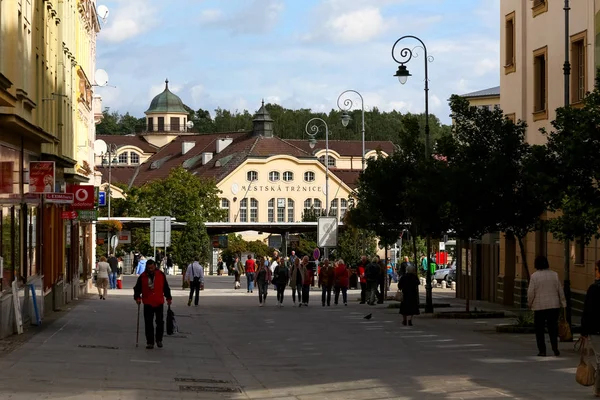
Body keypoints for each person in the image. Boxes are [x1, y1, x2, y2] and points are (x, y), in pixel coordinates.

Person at [527, 255, 566, 357]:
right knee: (553, 328)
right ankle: (555, 348)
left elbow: (531, 292)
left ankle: (542, 350)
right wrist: (563, 303)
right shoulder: (554, 275)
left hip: (539, 307)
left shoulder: (534, 276)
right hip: (553, 306)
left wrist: (529, 304)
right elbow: (560, 290)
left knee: (539, 330)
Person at [133, 260, 172, 349]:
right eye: (149, 268)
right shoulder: (143, 276)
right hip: (147, 302)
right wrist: (137, 297)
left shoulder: (160, 275)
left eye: (152, 268)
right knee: (148, 323)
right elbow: (137, 288)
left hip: (158, 301)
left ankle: (159, 340)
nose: (150, 269)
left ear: (155, 267)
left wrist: (168, 297)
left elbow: (165, 287)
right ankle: (150, 342)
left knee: (159, 322)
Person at [581, 260, 600, 396]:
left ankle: (598, 388)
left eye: (596, 269)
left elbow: (587, 310)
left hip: (596, 329)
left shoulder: (594, 288)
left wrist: (584, 331)